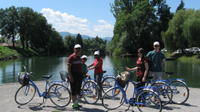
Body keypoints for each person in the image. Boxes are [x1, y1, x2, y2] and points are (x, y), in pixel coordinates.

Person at [67, 44, 83, 110]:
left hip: (79, 76)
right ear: (74, 49)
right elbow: (68, 68)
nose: (78, 50)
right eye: (76, 49)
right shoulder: (71, 57)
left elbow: (80, 66)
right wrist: (70, 76)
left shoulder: (79, 57)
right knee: (73, 91)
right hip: (73, 75)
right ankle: (74, 105)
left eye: (79, 49)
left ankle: (76, 103)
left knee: (77, 90)